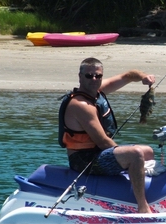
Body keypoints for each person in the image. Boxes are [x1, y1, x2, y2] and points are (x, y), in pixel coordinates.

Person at [58, 57, 156, 213]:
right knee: (135, 154)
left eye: (98, 75)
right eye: (89, 76)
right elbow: (103, 142)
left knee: (148, 151)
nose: (94, 79)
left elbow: (128, 76)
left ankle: (149, 193)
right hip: (83, 160)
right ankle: (143, 207)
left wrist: (144, 77)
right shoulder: (81, 105)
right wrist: (124, 155)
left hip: (98, 153)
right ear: (80, 77)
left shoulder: (97, 91)